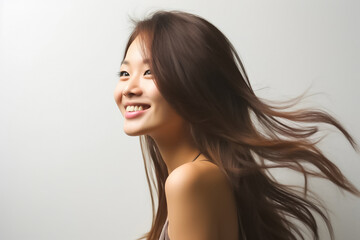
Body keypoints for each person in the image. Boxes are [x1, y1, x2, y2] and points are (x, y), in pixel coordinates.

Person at [113, 10, 360, 240]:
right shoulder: (208, 173)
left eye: (150, 72)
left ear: (194, 82)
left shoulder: (188, 180)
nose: (129, 89)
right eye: (124, 73)